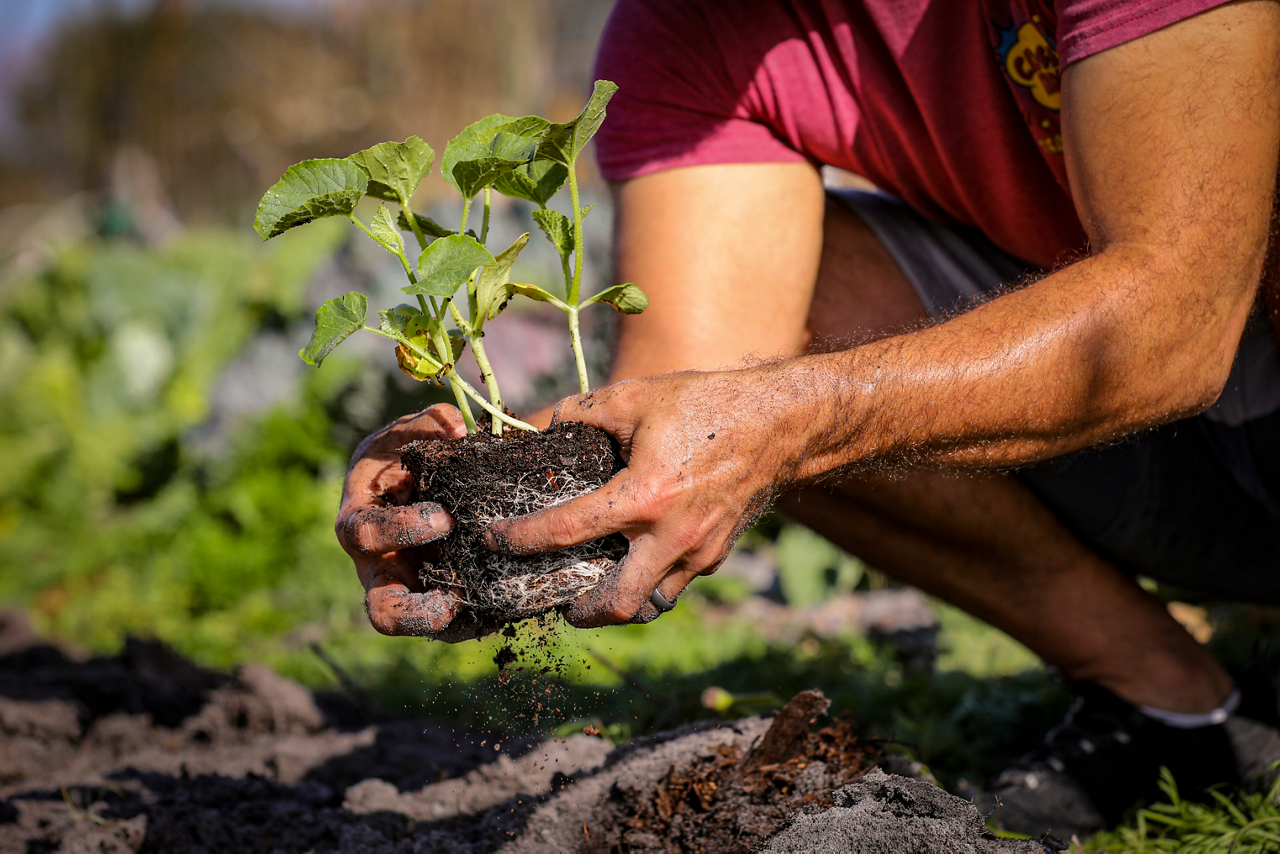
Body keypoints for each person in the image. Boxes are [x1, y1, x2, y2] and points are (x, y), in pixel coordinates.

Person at [335, 0, 1280, 837]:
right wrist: (469, 488)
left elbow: (1174, 326)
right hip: (1197, 470)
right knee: (761, 360)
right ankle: (1169, 703)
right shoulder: (689, 29)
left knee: (777, 398)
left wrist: (793, 417)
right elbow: (681, 402)